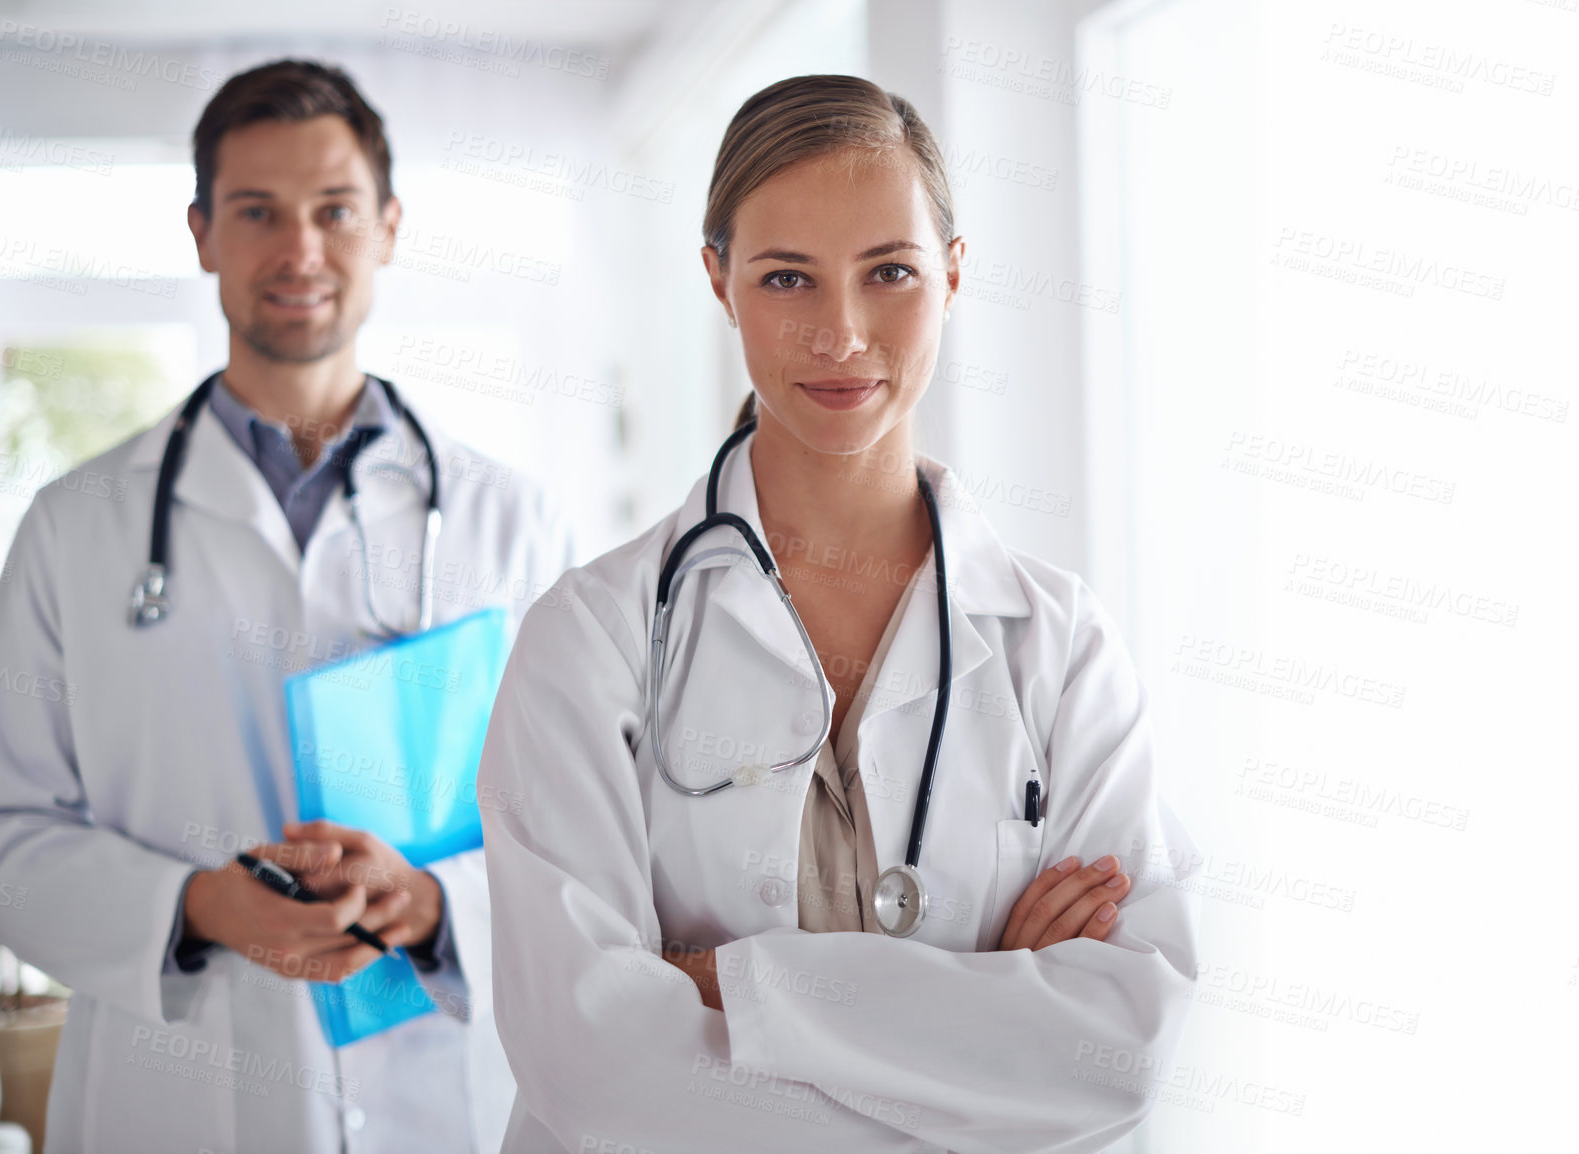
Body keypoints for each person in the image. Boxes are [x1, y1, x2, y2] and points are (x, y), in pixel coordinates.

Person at [479, 74, 1197, 1152]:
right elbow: (593, 1068)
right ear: (718, 279)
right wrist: (978, 999)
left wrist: (726, 985)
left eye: (891, 272)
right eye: (786, 278)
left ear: (953, 275)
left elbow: (1119, 1050)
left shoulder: (1060, 645)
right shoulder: (590, 637)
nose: (842, 333)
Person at [0, 60, 572, 1153]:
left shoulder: (513, 526)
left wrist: (438, 904)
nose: (300, 251)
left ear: (388, 227)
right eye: (257, 211)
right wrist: (198, 904)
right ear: (202, 232)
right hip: (176, 1100)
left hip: (442, 1100)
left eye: (335, 211)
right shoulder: (75, 527)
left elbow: (585, 836)